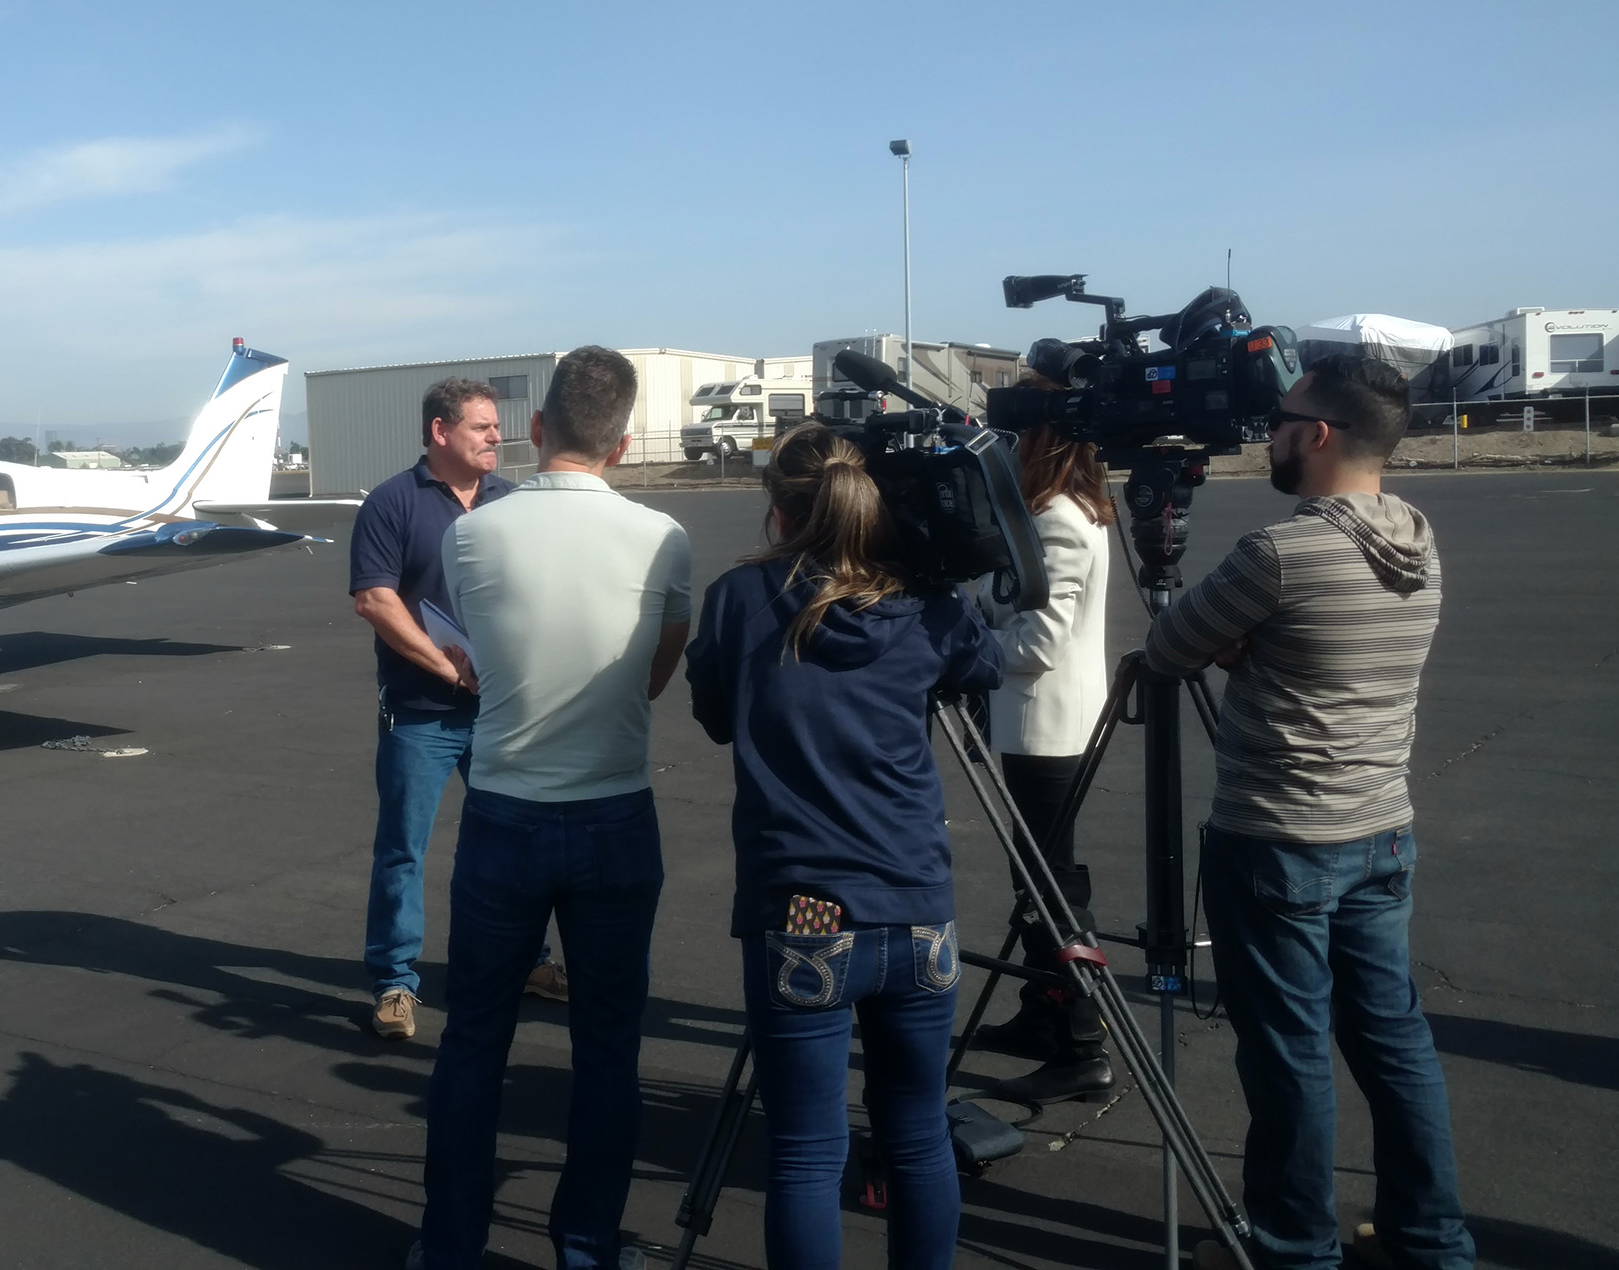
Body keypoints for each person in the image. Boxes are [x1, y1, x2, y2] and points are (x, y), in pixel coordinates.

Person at [1145, 354, 1472, 1270]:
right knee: (1393, 1040)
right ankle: (1431, 1237)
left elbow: (1171, 646)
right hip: (1380, 830)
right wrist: (1259, 650)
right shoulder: (1415, 531)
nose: (1271, 434)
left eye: (1283, 419)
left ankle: (1293, 1249)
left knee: (1290, 1054)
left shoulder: (1281, 553)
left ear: (1319, 434)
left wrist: (1240, 649)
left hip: (1281, 837)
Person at [685, 421, 1000, 1270]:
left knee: (806, 1151)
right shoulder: (926, 603)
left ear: (780, 510)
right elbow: (982, 668)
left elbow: (716, 714)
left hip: (806, 911)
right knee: (919, 1135)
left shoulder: (741, 599)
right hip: (915, 906)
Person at [412, 347, 691, 1270]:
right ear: (620, 442)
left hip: (505, 811)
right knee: (608, 1050)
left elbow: (486, 646)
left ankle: (450, 1246)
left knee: (475, 1041)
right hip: (614, 813)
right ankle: (587, 1247)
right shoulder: (663, 538)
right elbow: (655, 670)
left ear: (537, 430)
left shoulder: (473, 536)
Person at [350, 380, 566, 1042]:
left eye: (496, 427)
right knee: (403, 850)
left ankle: (529, 961)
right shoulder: (392, 503)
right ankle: (393, 982)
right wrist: (447, 667)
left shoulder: (511, 503)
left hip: (501, 710)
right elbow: (375, 600)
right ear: (441, 432)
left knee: (516, 842)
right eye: (481, 427)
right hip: (422, 714)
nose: (496, 437)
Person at [967, 383, 1117, 1104]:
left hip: (1046, 727)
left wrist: (968, 638)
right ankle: (1043, 1013)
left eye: (1020, 438)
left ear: (1043, 443)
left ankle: (1082, 1041)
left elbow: (1037, 642)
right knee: (1039, 881)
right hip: (1044, 724)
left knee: (1052, 890)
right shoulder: (1070, 511)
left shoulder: (1058, 518)